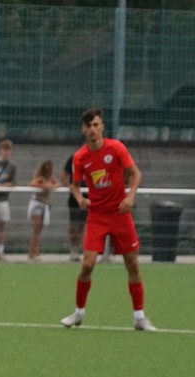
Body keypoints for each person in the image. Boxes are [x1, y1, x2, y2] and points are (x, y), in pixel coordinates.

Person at [62, 108, 155, 331]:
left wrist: (130, 197)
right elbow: (74, 185)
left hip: (120, 215)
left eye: (96, 125)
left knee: (132, 264)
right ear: (83, 129)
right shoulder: (80, 157)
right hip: (97, 216)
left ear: (102, 127)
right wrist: (80, 198)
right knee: (87, 265)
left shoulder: (116, 148)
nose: (93, 129)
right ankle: (78, 313)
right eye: (89, 126)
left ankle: (139, 317)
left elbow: (135, 174)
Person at [26, 160, 59, 260]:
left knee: (39, 229)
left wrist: (51, 186)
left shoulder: (51, 178)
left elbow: (58, 184)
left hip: (44, 204)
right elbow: (32, 184)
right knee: (36, 229)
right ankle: (32, 252)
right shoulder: (40, 179)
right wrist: (43, 186)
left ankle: (36, 251)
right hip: (37, 204)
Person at [59, 153, 87, 262]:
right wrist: (69, 185)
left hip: (88, 197)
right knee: (74, 225)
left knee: (82, 225)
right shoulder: (74, 158)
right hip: (75, 198)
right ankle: (73, 249)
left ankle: (78, 250)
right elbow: (63, 174)